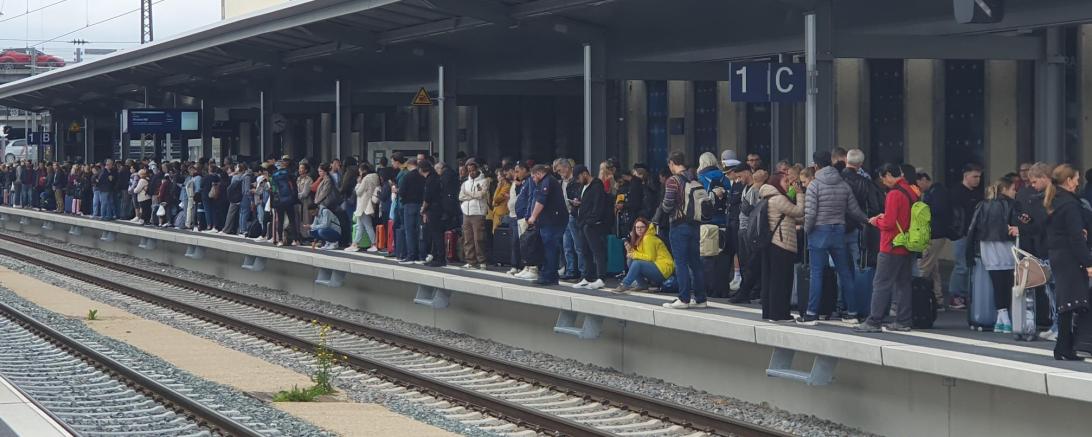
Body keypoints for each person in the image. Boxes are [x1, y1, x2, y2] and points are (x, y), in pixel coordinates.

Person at [799, 150, 867, 325]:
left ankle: (812, 313)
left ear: (816, 166)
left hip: (819, 231)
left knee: (817, 273)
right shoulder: (842, 184)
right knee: (845, 273)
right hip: (838, 230)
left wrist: (806, 230)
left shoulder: (814, 186)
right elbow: (854, 210)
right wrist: (867, 221)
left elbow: (811, 214)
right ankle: (852, 313)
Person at [855, 164, 918, 332]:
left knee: (881, 283)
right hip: (907, 243)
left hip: (890, 245)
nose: (883, 181)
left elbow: (889, 223)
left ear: (889, 174)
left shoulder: (894, 194)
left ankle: (873, 321)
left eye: (883, 178)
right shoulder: (911, 191)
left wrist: (877, 221)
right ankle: (904, 320)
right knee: (903, 284)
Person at [1042, 164, 1092, 361]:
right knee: (1071, 302)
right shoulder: (1070, 205)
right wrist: (1088, 262)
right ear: (1069, 180)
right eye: (1076, 178)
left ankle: (1063, 347)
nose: (1078, 182)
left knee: (1066, 302)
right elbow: (1076, 237)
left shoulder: (1053, 201)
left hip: (1057, 255)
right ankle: (1065, 347)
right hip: (1070, 256)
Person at [654, 152, 707, 309]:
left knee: (681, 262)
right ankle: (700, 298)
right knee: (695, 263)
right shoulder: (694, 178)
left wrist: (663, 208)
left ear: (672, 163)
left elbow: (668, 204)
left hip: (679, 225)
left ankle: (683, 298)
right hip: (695, 225)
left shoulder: (673, 180)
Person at [761, 172, 805, 321]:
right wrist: (800, 194)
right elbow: (798, 211)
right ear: (777, 183)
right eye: (785, 181)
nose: (788, 185)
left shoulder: (768, 197)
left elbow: (792, 217)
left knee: (772, 279)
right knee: (781, 281)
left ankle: (770, 312)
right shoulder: (778, 198)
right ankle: (780, 314)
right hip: (782, 243)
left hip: (773, 243)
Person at [915, 171, 956, 308]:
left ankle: (917, 296)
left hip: (934, 234)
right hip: (936, 233)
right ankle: (937, 298)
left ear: (924, 179)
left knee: (924, 268)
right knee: (933, 269)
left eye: (919, 183)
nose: (919, 187)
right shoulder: (935, 191)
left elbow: (937, 211)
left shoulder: (936, 192)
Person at [948, 163, 984, 309]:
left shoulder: (977, 193)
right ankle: (956, 296)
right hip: (961, 234)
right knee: (961, 265)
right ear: (966, 176)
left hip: (975, 234)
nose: (977, 180)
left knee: (971, 266)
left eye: (979, 177)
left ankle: (967, 295)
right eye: (974, 176)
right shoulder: (956, 192)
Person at [526, 164, 569, 286]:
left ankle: (548, 276)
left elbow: (541, 201)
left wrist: (533, 217)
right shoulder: (546, 181)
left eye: (534, 177)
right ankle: (549, 275)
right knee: (548, 247)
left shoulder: (547, 181)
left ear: (539, 173)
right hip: (547, 221)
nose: (533, 180)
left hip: (552, 221)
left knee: (549, 248)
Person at [573, 164, 610, 290]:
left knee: (597, 251)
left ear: (584, 174)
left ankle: (601, 277)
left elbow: (598, 206)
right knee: (585, 251)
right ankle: (587, 277)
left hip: (592, 225)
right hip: (583, 223)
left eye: (578, 178)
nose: (578, 181)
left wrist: (590, 221)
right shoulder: (583, 187)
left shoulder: (597, 186)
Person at [617, 218, 673, 292]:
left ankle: (625, 284)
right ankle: (642, 285)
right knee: (630, 260)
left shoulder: (648, 238)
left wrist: (633, 254)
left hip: (664, 269)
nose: (639, 229)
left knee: (637, 263)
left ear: (646, 228)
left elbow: (650, 258)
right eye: (637, 227)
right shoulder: (641, 238)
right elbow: (641, 255)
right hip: (656, 266)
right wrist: (630, 251)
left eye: (642, 227)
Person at [458, 158, 490, 268]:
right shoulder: (465, 183)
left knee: (479, 238)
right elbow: (460, 196)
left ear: (477, 169)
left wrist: (468, 195)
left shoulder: (484, 181)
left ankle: (482, 260)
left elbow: (481, 194)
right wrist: (473, 195)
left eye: (473, 170)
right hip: (466, 212)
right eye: (469, 170)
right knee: (468, 238)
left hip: (478, 212)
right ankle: (471, 260)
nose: (471, 172)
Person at [556, 158, 583, 281]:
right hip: (565, 215)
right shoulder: (561, 182)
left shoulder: (576, 181)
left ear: (567, 168)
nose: (559, 173)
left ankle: (582, 271)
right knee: (567, 245)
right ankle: (570, 270)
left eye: (560, 170)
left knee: (578, 245)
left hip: (574, 215)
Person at [397, 158, 425, 264]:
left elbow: (402, 191)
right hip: (421, 205)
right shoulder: (422, 176)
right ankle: (421, 255)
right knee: (420, 231)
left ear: (408, 165)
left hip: (409, 205)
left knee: (409, 231)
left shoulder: (407, 176)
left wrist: (403, 200)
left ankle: (411, 255)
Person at [421, 161, 447, 267]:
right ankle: (436, 256)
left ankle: (440, 258)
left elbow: (427, 197)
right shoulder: (436, 178)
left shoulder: (431, 180)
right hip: (438, 208)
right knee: (435, 234)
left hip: (433, 209)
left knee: (436, 234)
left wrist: (423, 209)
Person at [349, 163, 380, 252]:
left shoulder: (366, 179)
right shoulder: (375, 177)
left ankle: (374, 244)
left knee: (367, 226)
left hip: (363, 204)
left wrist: (358, 183)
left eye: (360, 171)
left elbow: (358, 192)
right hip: (368, 204)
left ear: (364, 170)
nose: (359, 173)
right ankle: (355, 244)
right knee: (360, 226)